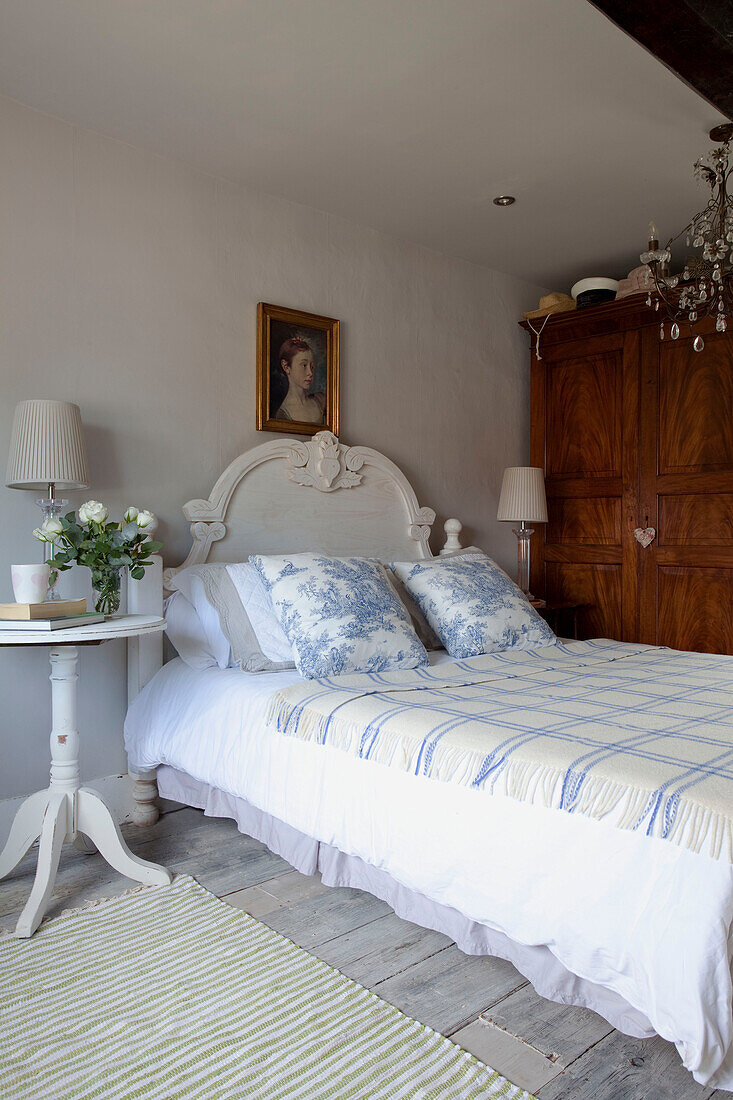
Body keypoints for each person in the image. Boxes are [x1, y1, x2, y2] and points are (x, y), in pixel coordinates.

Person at [273, 336, 326, 424]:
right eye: (304, 365)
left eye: (312, 366)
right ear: (286, 367)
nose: (310, 373)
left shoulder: (320, 400)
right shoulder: (283, 414)